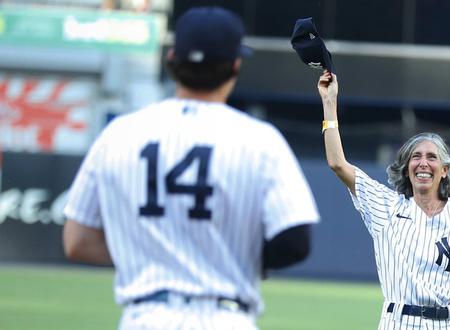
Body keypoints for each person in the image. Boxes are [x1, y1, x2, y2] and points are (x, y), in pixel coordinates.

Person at [62, 7, 319, 330]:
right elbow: (296, 240)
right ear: (235, 65)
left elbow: (77, 241)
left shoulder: (118, 134)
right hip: (225, 317)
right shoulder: (259, 140)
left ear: (172, 60)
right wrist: (223, 258)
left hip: (145, 318)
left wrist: (151, 254)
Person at [317, 70, 450, 330]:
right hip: (399, 322)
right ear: (406, 168)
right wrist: (329, 102)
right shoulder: (386, 206)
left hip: (449, 323)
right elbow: (337, 163)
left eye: (431, 157)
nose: (423, 163)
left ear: (445, 169)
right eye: (416, 157)